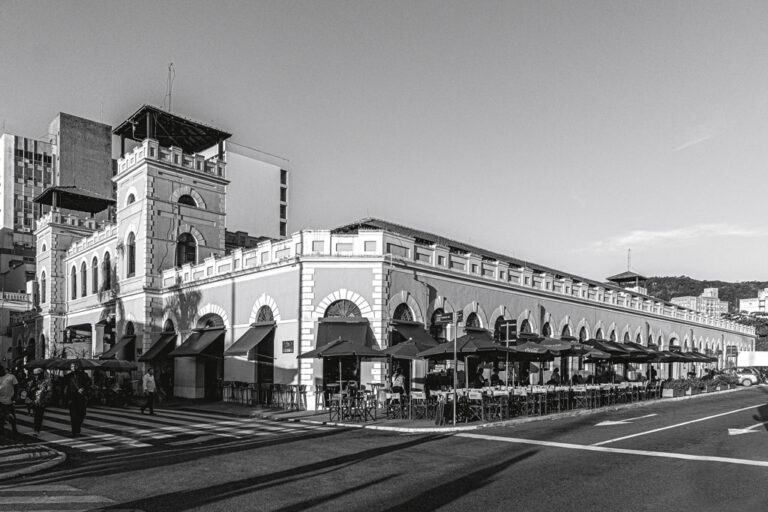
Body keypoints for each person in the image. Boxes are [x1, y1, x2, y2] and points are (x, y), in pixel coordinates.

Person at [64, 362, 92, 437]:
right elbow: (65, 386)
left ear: (78, 367)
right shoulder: (68, 376)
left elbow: (89, 382)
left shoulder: (84, 375)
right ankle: (75, 431)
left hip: (81, 397)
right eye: (72, 366)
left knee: (82, 414)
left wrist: (83, 388)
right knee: (73, 415)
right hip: (72, 397)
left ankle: (78, 428)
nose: (73, 367)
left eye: (74, 366)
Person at [26, 368, 52, 437]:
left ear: (41, 374)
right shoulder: (32, 382)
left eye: (37, 375)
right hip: (34, 401)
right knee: (36, 416)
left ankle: (37, 430)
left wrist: (45, 401)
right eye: (35, 375)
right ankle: (36, 429)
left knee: (39, 416)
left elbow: (49, 392)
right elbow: (28, 392)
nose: (36, 376)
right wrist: (31, 387)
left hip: (42, 402)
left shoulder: (47, 381)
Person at [0, 366, 18, 441]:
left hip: (9, 401)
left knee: (12, 418)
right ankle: (2, 434)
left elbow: (16, 387)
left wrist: (14, 398)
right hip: (0, 401)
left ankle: (14, 433)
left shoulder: (11, 377)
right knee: (1, 418)